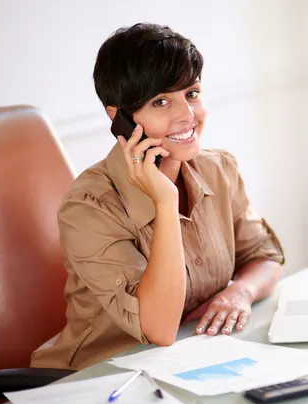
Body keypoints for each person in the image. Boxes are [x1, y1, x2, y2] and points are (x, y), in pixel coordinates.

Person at [30, 23, 284, 370]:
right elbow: (160, 329)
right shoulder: (89, 206)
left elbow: (264, 255)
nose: (187, 115)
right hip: (98, 380)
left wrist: (240, 291)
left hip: (191, 363)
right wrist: (165, 202)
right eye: (161, 101)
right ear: (118, 117)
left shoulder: (217, 168)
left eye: (192, 93)